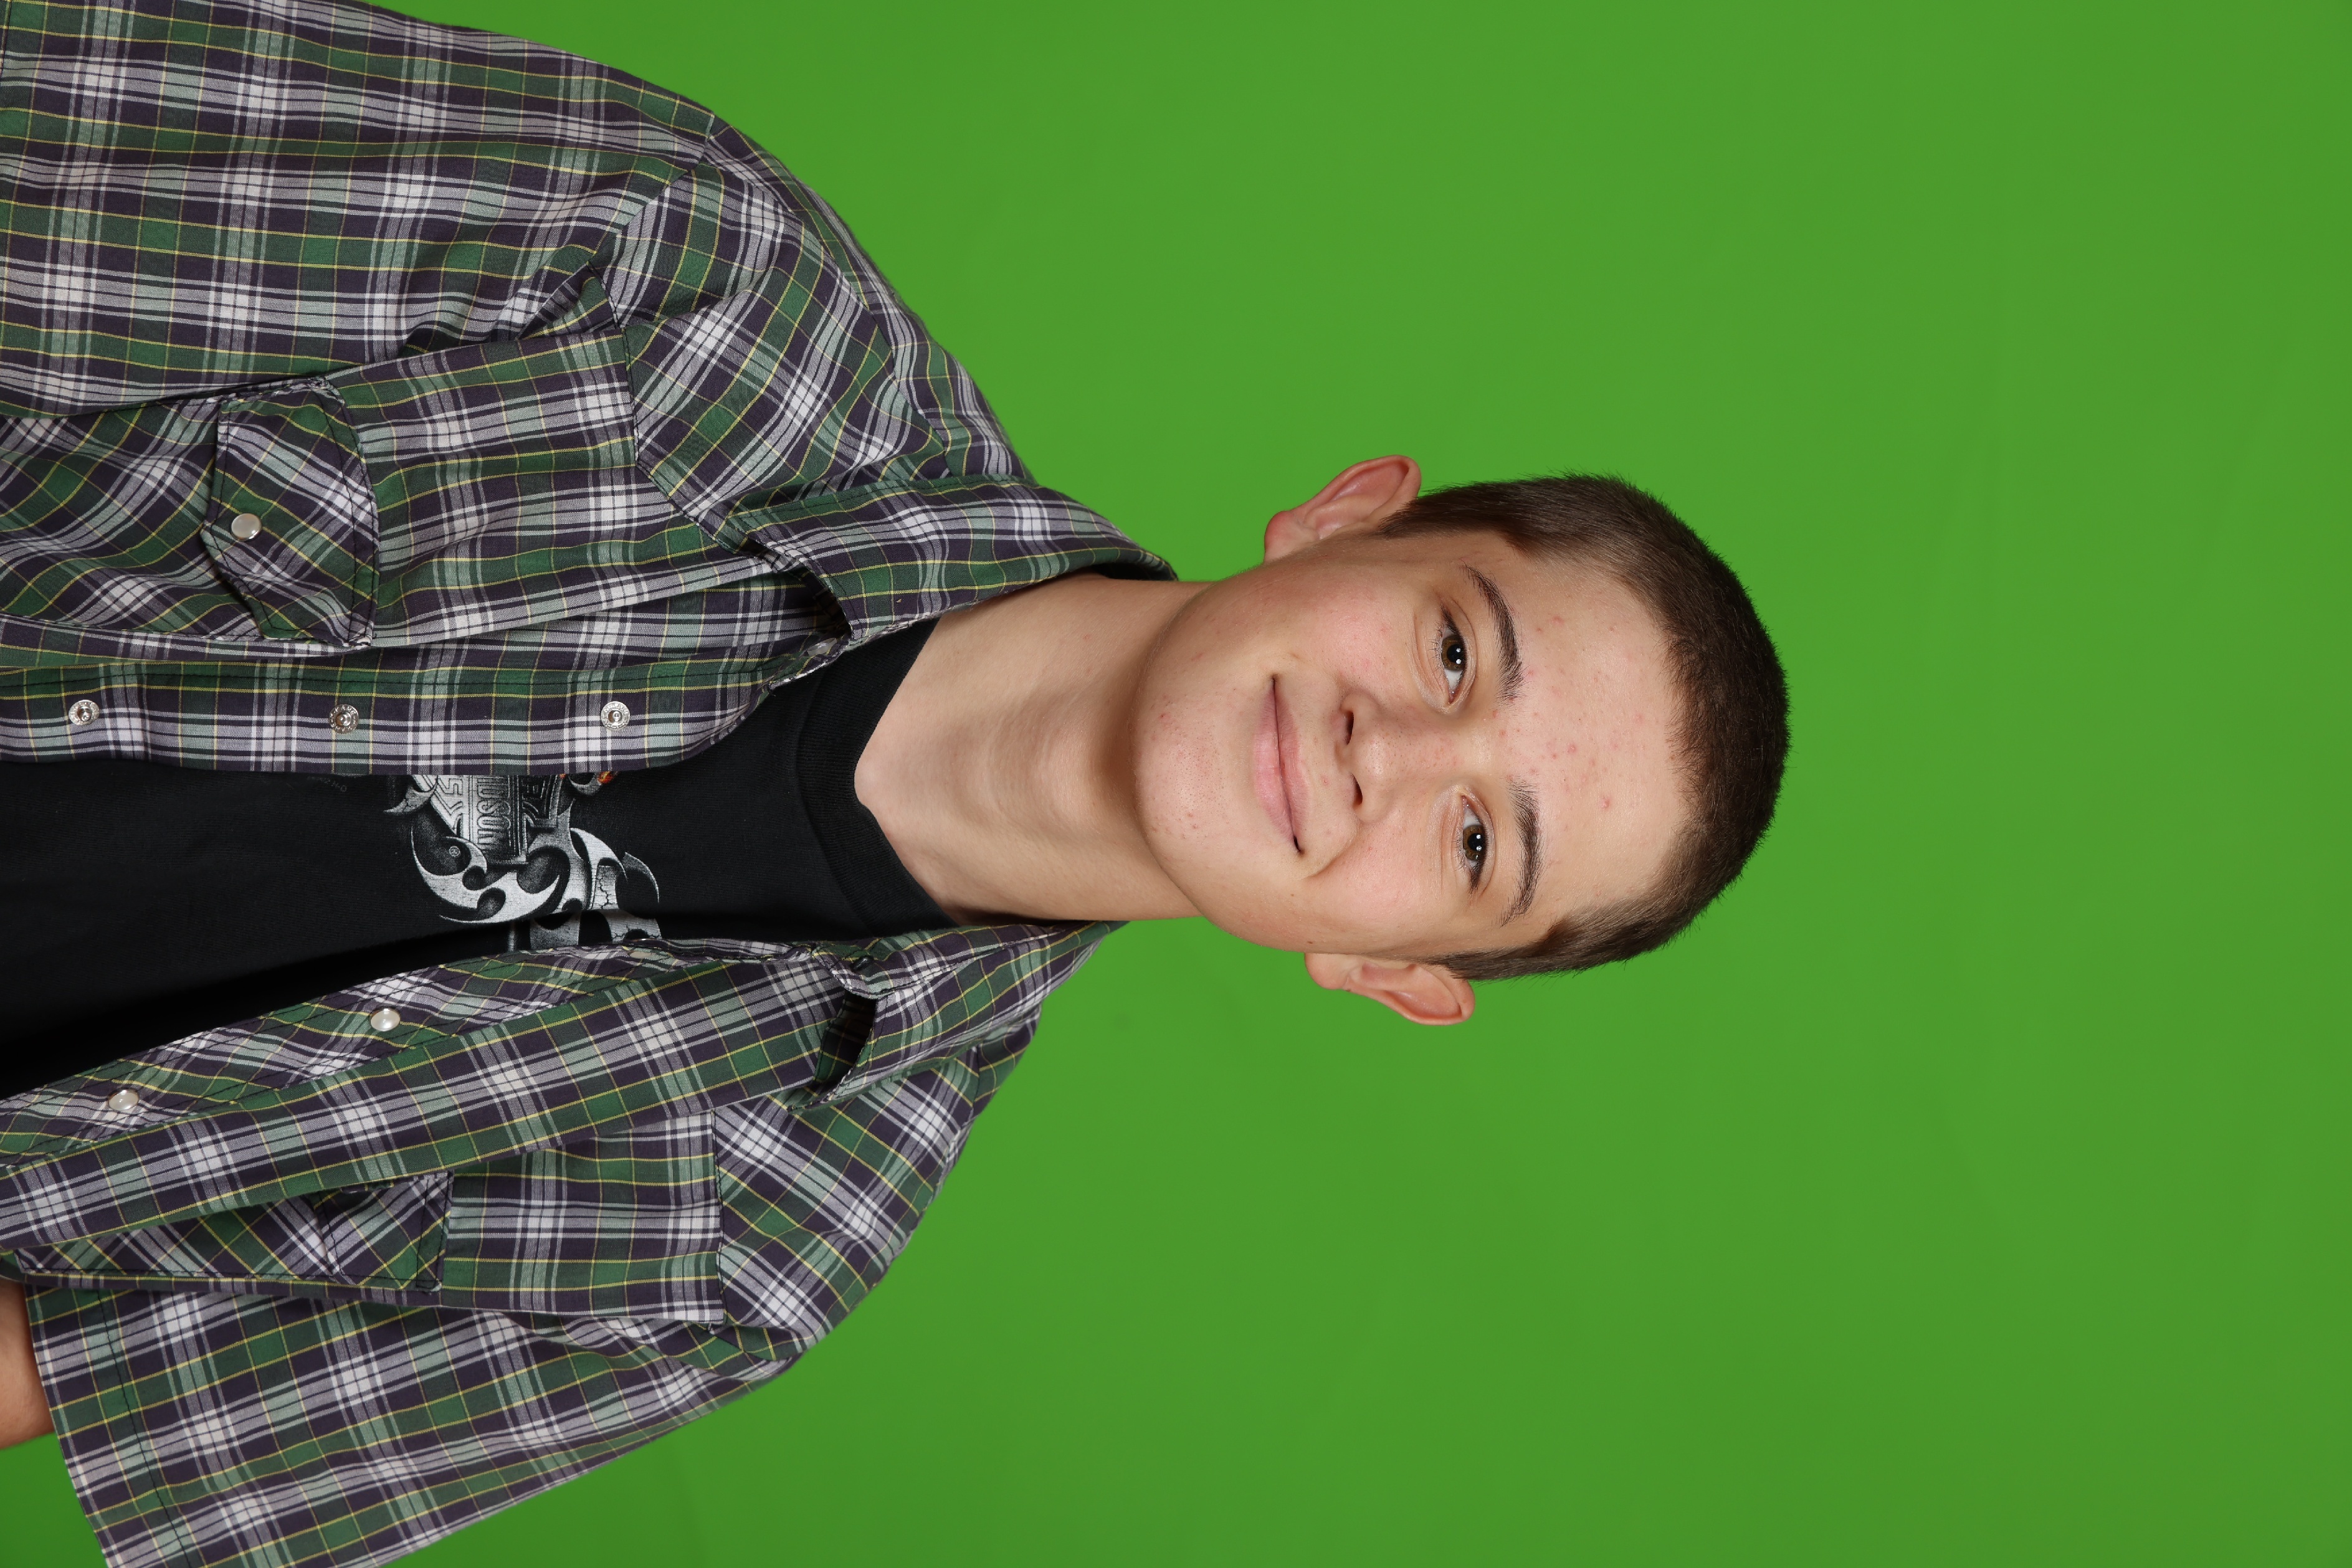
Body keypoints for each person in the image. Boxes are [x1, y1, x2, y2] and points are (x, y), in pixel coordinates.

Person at [0, 0, 1789, 1562]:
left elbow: (51, 1360)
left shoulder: (761, 1245)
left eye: (1475, 843)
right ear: (1348, 518)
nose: (1382, 753)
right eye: (1456, 653)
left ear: (1387, 969)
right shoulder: (694, 282)